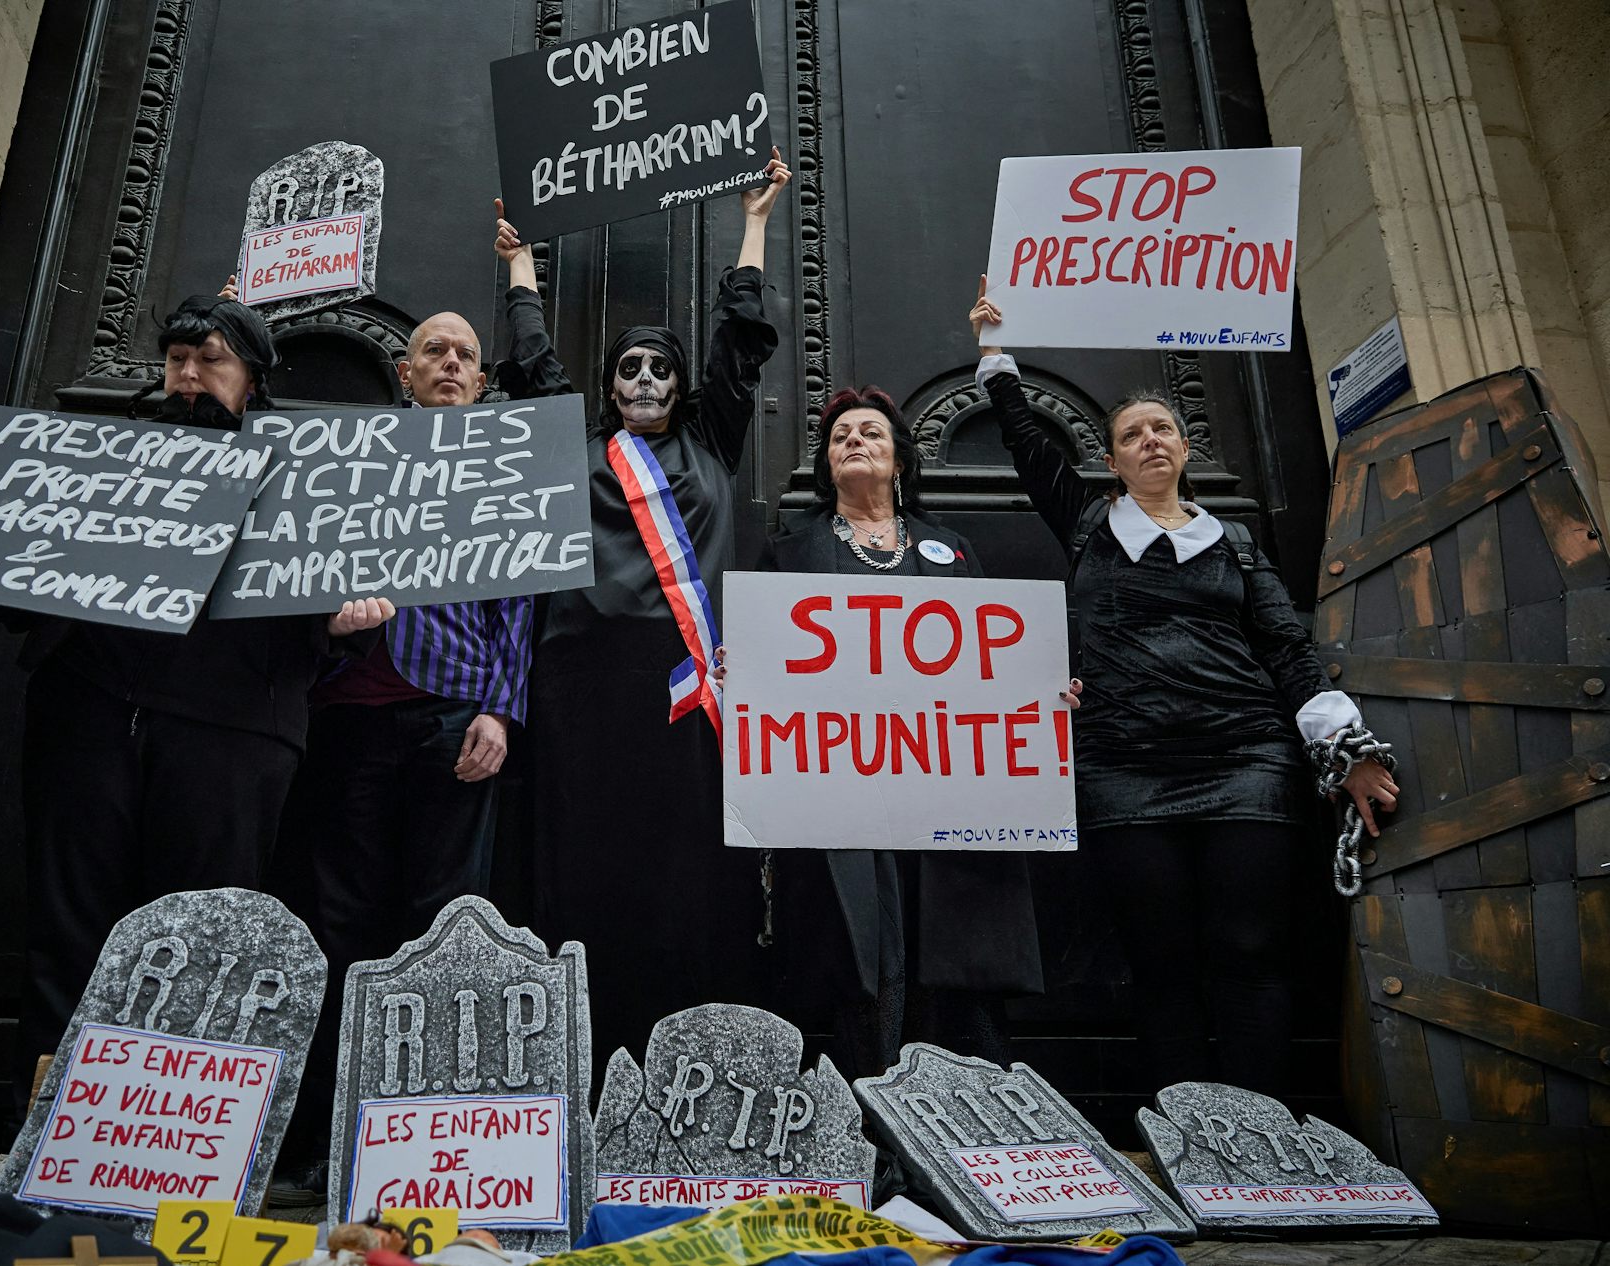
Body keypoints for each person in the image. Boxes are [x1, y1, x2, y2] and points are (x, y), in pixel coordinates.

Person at [0, 295, 395, 1089]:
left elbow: (334, 617)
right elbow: (18, 573)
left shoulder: (305, 481)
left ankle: (178, 1147)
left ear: (253, 379)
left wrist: (353, 621)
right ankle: (45, 1131)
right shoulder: (101, 461)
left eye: (211, 359)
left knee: (208, 942)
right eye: (177, 358)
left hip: (233, 735)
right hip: (91, 718)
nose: (188, 375)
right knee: (70, 931)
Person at [969, 276, 1398, 1094]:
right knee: (1159, 962)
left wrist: (1347, 754)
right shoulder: (1089, 526)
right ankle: (1189, 1142)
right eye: (1133, 435)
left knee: (1249, 953)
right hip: (1124, 771)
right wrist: (994, 354)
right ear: (1113, 459)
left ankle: (1258, 1136)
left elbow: (1285, 645)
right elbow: (1027, 441)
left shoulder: (1233, 543)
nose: (1151, 441)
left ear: (1185, 448)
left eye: (1163, 428)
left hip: (1247, 764)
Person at [493, 151, 791, 1064]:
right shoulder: (577, 448)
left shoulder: (711, 442)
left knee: (682, 869)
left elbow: (736, 347)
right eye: (631, 369)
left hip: (682, 690)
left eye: (662, 368)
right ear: (612, 384)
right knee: (585, 866)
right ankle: (584, 1053)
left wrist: (754, 220)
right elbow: (537, 366)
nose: (649, 382)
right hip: (581, 687)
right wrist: (518, 265)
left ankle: (682, 1051)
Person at [263, 306, 533, 1201]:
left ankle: (420, 1148)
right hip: (345, 716)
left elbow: (521, 602)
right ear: (406, 373)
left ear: (482, 381)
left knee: (445, 927)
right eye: (434, 353)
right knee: (331, 924)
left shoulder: (506, 467)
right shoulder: (354, 460)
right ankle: (313, 1141)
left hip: (453, 716)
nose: (450, 363)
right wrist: (324, 620)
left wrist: (500, 711)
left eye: (465, 355)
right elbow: (298, 555)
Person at [758, 386, 1060, 1076]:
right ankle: (878, 1130)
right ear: (827, 464)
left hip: (948, 791)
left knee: (951, 940)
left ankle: (965, 1128)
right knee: (868, 949)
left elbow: (998, 662)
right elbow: (773, 662)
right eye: (839, 438)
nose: (854, 442)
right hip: (843, 790)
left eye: (870, 434)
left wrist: (1040, 697)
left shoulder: (950, 549)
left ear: (899, 461)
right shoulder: (792, 553)